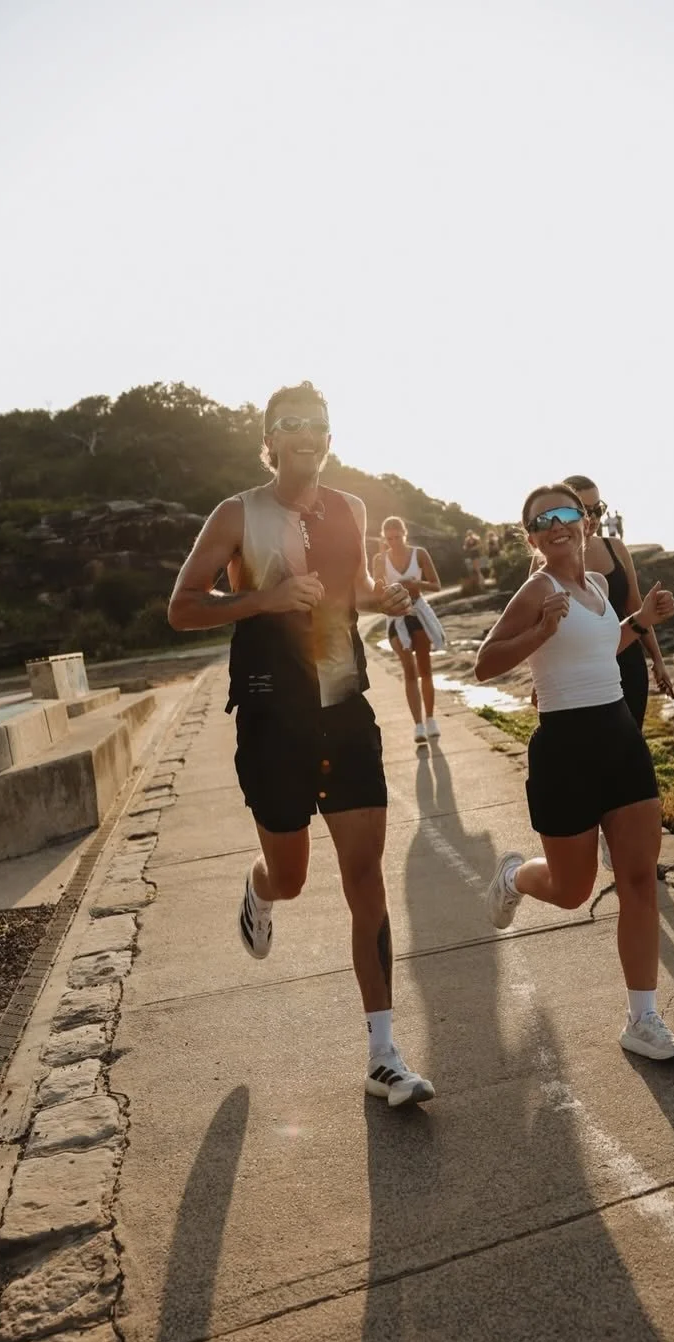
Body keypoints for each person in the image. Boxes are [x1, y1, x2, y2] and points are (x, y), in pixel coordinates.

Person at [167, 381, 435, 1107]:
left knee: (364, 878)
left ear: (328, 437)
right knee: (292, 875)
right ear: (271, 441)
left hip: (345, 712)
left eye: (316, 422)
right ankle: (260, 890)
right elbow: (182, 607)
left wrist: (386, 598)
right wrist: (264, 599)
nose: (306, 432)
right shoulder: (236, 514)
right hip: (271, 720)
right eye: (291, 423)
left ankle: (383, 1054)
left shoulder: (351, 509)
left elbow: (360, 589)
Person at [475, 482, 674, 1062]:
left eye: (565, 513)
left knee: (639, 880)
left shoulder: (596, 584)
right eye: (541, 520)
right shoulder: (535, 590)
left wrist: (641, 621)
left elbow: (602, 646)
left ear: (586, 522)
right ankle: (515, 876)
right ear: (531, 538)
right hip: (565, 751)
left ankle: (643, 1020)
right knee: (572, 892)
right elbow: (484, 664)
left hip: (620, 741)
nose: (555, 525)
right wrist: (539, 633)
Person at [530, 476, 673, 727]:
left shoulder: (616, 548)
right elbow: (536, 621)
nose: (594, 517)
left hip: (628, 661)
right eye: (586, 510)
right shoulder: (544, 561)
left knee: (630, 739)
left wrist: (658, 660)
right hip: (575, 668)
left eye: (599, 509)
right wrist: (538, 679)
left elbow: (635, 608)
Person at [373, 516, 445, 746]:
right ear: (384, 538)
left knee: (425, 668)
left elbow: (436, 585)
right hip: (396, 617)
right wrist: (385, 581)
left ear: (404, 534)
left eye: (397, 537)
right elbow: (376, 591)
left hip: (418, 612)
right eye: (389, 538)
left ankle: (431, 719)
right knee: (409, 671)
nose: (394, 542)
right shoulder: (380, 559)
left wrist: (416, 584)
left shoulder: (419, 553)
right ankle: (418, 725)